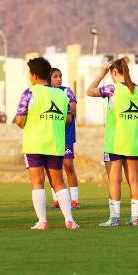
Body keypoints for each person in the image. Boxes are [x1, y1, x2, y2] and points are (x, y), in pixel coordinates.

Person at [15, 57, 78, 230]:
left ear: (34, 75)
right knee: (58, 182)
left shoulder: (29, 93)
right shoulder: (62, 95)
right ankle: (69, 220)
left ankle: (42, 221)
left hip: (34, 144)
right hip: (55, 144)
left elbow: (19, 120)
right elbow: (68, 119)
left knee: (37, 182)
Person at [87, 58, 138, 226]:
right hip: (132, 140)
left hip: (115, 141)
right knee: (133, 179)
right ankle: (135, 218)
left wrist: (101, 75)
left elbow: (89, 91)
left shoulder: (113, 88)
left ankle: (114, 219)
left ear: (113, 72)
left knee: (114, 180)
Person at [49, 67, 80, 209]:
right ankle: (57, 199)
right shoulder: (46, 92)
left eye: (60, 76)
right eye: (55, 76)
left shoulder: (67, 91)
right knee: (53, 168)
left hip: (66, 134)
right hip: (51, 135)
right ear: (49, 78)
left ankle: (74, 200)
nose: (59, 79)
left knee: (68, 166)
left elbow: (73, 110)